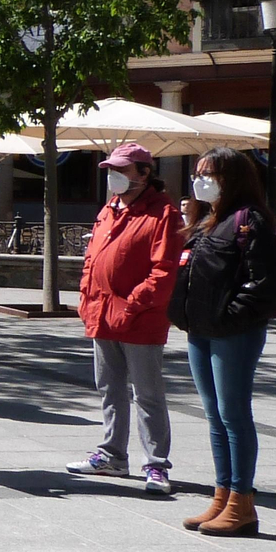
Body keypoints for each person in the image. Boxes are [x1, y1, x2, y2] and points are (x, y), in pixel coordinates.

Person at [172, 146, 276, 538]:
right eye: (198, 172)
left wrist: (230, 316)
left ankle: (242, 502)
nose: (200, 180)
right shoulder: (210, 219)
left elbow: (265, 284)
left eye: (209, 174)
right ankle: (222, 495)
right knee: (215, 417)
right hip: (202, 331)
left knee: (234, 416)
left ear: (231, 179)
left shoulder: (250, 221)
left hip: (232, 333)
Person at [66, 143, 182, 496]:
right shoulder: (109, 210)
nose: (113, 176)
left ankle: (156, 465)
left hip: (139, 319)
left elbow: (164, 271)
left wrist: (132, 305)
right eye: (110, 170)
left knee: (147, 394)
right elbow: (92, 260)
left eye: (121, 170)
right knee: (109, 388)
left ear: (144, 173)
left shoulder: (163, 213)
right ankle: (113, 454)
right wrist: (86, 299)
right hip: (102, 315)